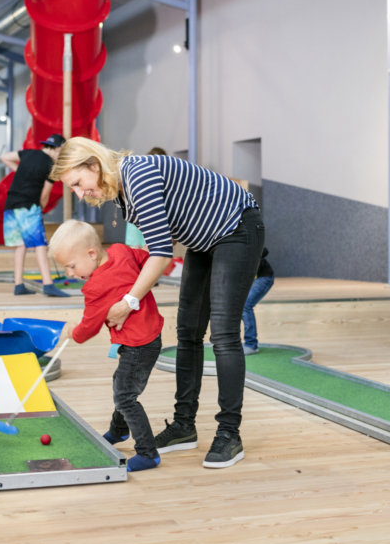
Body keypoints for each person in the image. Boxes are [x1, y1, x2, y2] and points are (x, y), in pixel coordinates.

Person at [52, 138, 264, 469]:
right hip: (204, 240)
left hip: (236, 228)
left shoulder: (136, 176)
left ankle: (229, 434)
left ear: (93, 165)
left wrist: (129, 301)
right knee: (189, 330)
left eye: (78, 184)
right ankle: (184, 426)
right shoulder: (122, 195)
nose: (80, 194)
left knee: (222, 334)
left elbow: (162, 255)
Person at [48, 220, 164, 472]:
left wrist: (71, 331)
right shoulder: (121, 250)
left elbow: (87, 329)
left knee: (125, 395)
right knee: (122, 386)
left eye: (71, 266)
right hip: (150, 336)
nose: (70, 273)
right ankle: (118, 431)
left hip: (138, 344)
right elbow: (148, 261)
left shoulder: (95, 287)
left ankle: (147, 453)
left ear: (91, 254)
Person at [0, 135, 70, 297]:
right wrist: (41, 209)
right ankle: (48, 285)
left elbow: (4, 157)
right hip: (28, 206)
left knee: (20, 245)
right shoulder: (51, 166)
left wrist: (22, 170)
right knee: (40, 245)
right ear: (58, 148)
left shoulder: (28, 153)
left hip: (10, 205)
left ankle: (18, 285)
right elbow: (44, 195)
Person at [242, 248, 275, 355]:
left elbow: (264, 250)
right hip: (242, 279)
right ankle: (232, 343)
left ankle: (251, 345)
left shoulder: (243, 235)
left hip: (262, 277)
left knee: (245, 305)